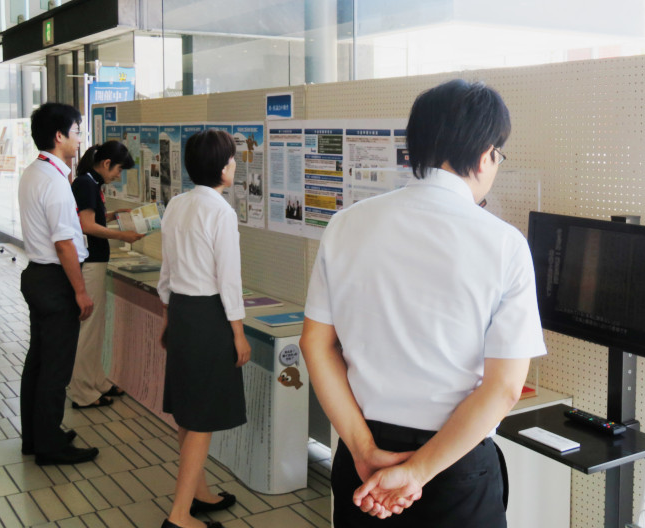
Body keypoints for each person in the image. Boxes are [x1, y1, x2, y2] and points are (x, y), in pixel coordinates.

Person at [300, 79, 547, 527]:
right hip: (455, 466)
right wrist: (416, 473)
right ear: (484, 154)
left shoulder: (346, 225)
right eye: (498, 154)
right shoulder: (505, 245)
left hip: (363, 459)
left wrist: (362, 449)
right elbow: (505, 387)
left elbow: (315, 344)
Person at [157, 129, 250, 528]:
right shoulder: (220, 212)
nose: (235, 165)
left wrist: (167, 317)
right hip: (210, 317)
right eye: (231, 159)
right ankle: (179, 516)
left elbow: (167, 271)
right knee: (202, 419)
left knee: (188, 413)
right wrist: (239, 333)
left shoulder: (177, 204)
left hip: (181, 312)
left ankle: (199, 492)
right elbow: (228, 280)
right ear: (221, 167)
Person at [18, 102, 99, 466]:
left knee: (38, 361)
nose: (79, 138)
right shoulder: (54, 181)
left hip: (37, 276)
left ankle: (35, 436)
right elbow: (65, 243)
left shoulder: (34, 173)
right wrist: (80, 291)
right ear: (59, 136)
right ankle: (50, 446)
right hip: (55, 281)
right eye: (77, 131)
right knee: (55, 367)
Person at [68, 141, 144, 409]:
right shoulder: (86, 184)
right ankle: (82, 392)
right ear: (107, 163)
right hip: (89, 265)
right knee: (88, 329)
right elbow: (86, 226)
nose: (118, 176)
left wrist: (113, 215)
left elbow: (92, 219)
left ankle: (95, 380)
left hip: (94, 263)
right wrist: (122, 234)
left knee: (95, 328)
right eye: (119, 170)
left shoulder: (90, 183)